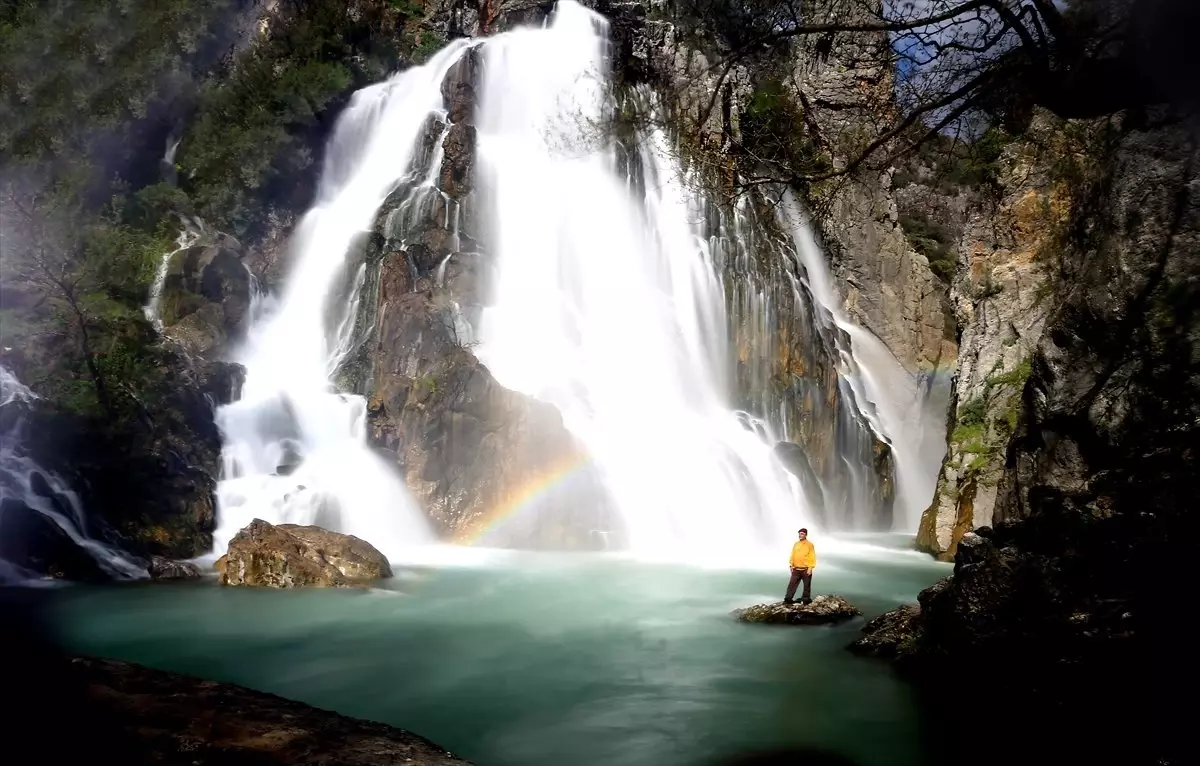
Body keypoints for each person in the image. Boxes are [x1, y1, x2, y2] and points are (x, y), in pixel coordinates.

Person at [784, 528, 816, 605]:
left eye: (802, 534)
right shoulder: (796, 544)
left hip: (805, 569)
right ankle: (788, 599)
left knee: (806, 586)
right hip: (796, 569)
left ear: (806, 535)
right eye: (799, 533)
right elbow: (792, 554)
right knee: (791, 585)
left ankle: (805, 600)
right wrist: (791, 565)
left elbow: (812, 556)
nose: (800, 535)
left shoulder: (810, 545)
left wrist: (810, 568)